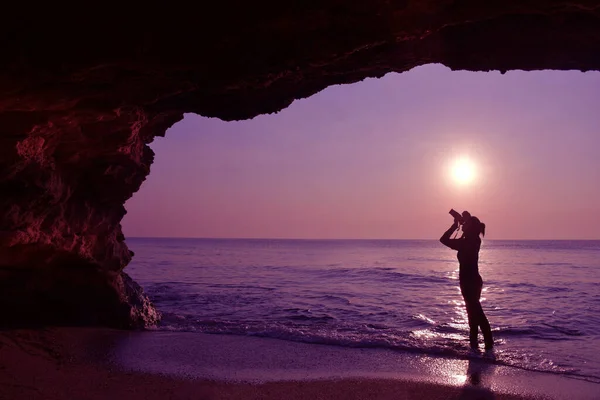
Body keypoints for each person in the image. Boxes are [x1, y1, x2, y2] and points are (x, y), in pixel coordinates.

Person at [440, 212, 494, 350]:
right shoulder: (474, 240)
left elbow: (444, 239)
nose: (464, 225)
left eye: (467, 224)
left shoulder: (468, 242)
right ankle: (475, 348)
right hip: (472, 281)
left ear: (471, 227)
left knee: (477, 315)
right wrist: (463, 222)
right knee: (473, 316)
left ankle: (488, 347)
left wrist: (454, 226)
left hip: (469, 282)